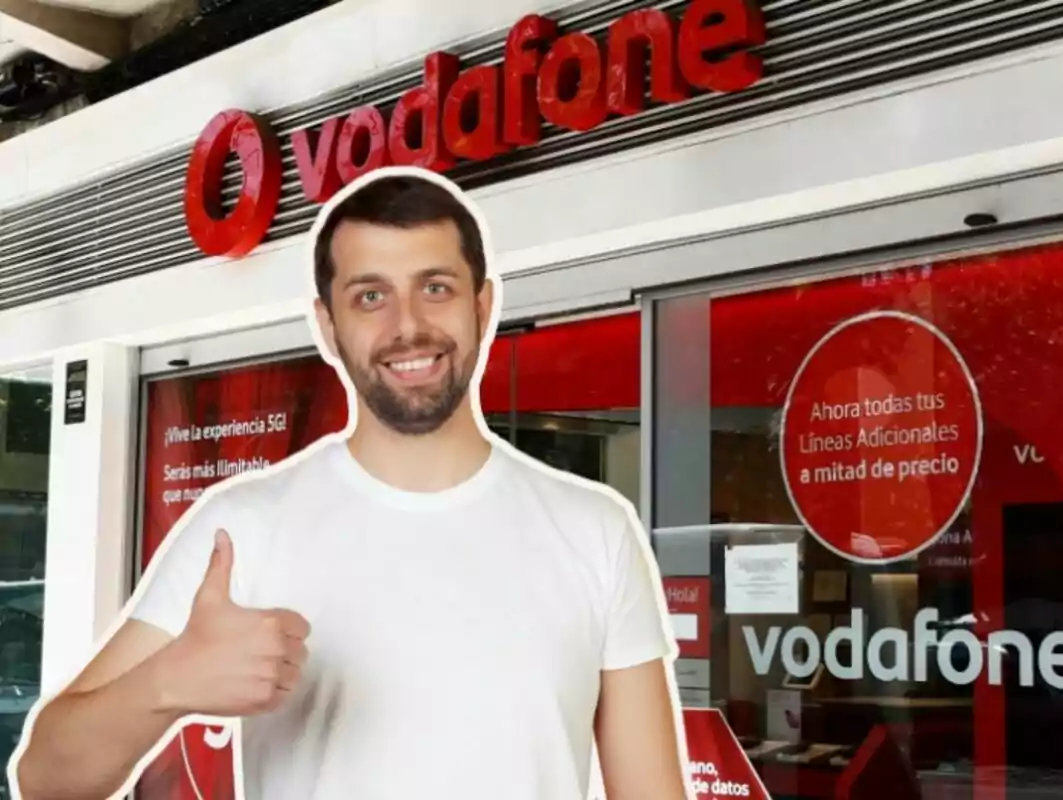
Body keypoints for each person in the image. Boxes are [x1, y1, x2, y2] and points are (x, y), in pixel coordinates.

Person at [11, 168, 690, 800]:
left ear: (483, 306)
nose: (408, 327)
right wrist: (166, 683)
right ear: (327, 325)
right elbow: (45, 777)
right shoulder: (243, 528)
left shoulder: (596, 531)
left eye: (436, 287)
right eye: (371, 296)